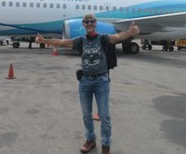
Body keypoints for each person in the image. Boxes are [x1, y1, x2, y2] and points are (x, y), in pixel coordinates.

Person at [35, 13, 140, 154]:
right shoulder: (80, 41)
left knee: (105, 116)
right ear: (83, 24)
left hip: (101, 81)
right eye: (86, 22)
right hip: (85, 82)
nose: (89, 24)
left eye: (92, 21)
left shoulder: (103, 38)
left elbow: (117, 37)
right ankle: (90, 140)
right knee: (86, 115)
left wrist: (130, 32)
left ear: (95, 23)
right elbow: (61, 43)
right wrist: (44, 40)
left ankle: (105, 145)